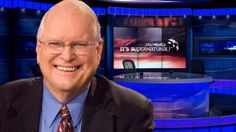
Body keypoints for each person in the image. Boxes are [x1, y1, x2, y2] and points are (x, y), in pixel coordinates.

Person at [0, 0, 155, 132]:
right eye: (55, 43)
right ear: (38, 49)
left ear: (98, 50)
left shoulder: (134, 112)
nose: (67, 56)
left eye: (80, 44)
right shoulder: (3, 101)